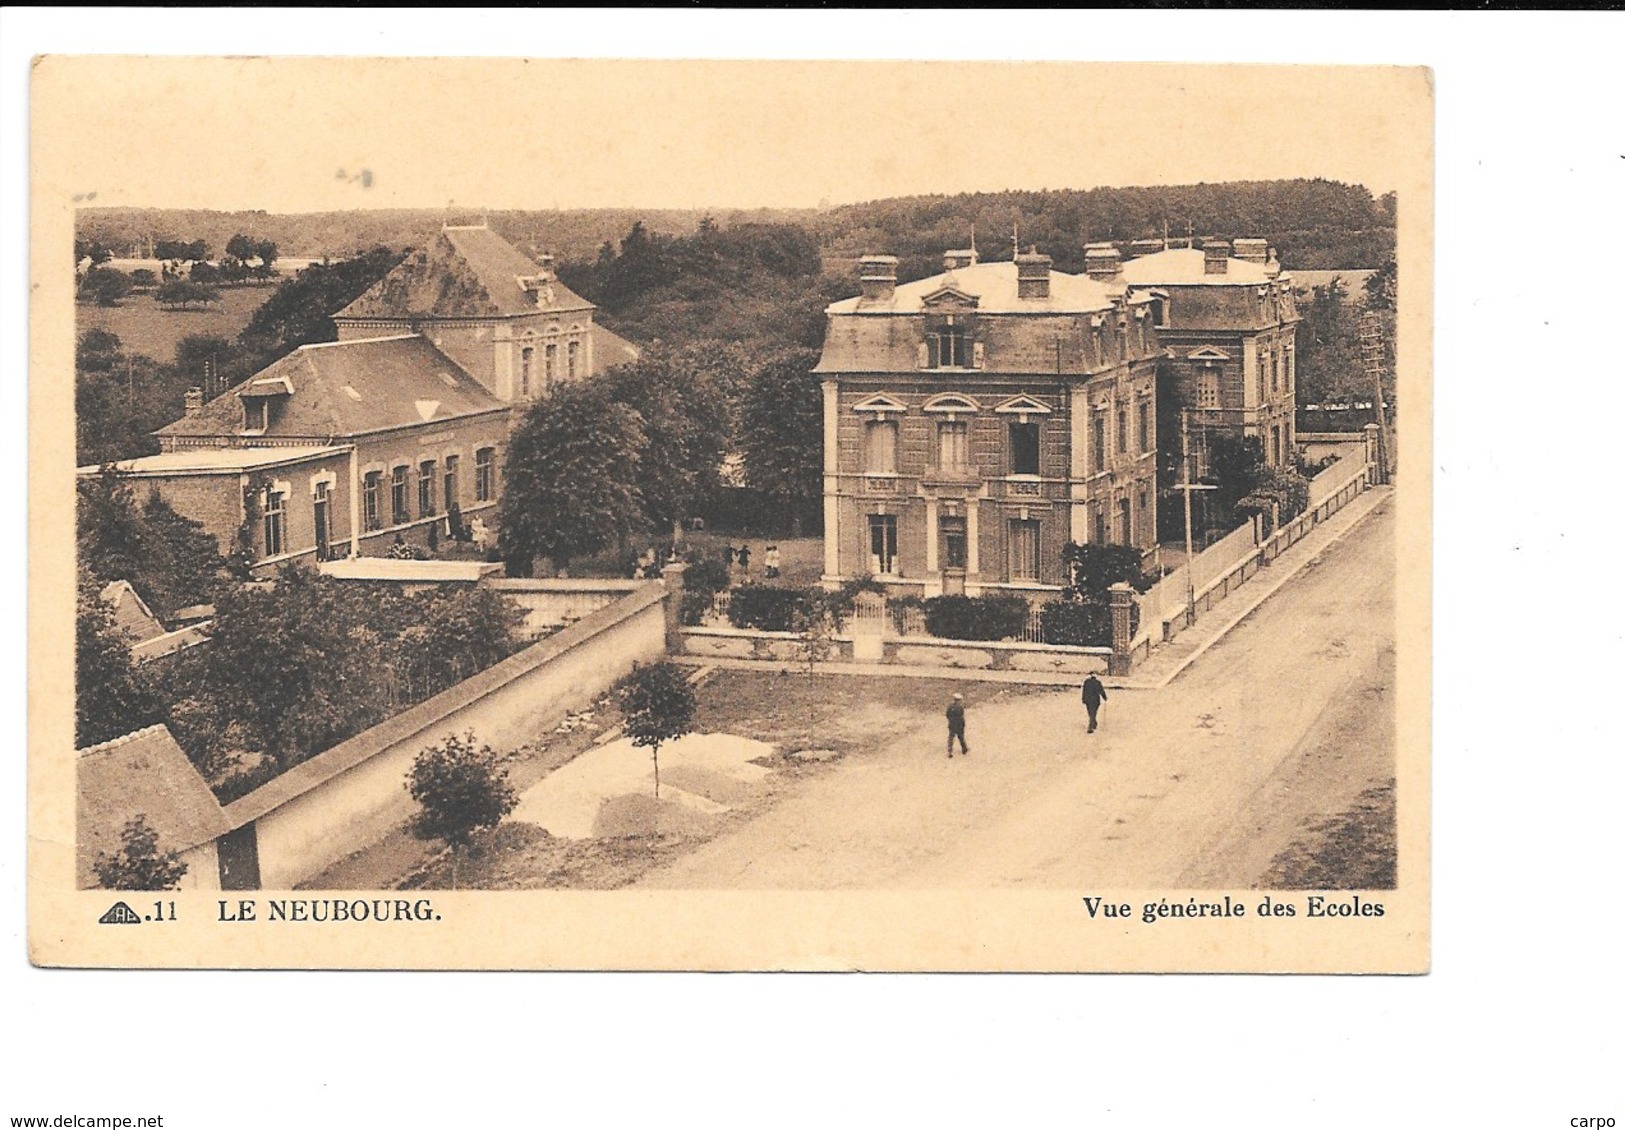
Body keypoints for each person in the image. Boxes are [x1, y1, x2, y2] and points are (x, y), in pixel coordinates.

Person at [946, 693, 969, 758]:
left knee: (951, 738)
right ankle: (964, 749)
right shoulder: (960, 707)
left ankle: (949, 752)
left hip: (952, 724)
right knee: (961, 737)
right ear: (959, 700)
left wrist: (950, 721)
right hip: (959, 724)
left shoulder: (950, 706)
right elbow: (961, 716)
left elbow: (947, 714)